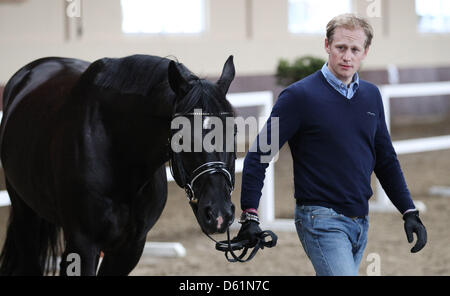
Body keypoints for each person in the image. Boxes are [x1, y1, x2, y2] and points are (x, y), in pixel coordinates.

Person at [234, 13, 427, 276]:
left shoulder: (371, 96)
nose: (347, 56)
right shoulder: (299, 97)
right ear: (327, 46)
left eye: (355, 49)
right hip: (319, 219)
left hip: (361, 220)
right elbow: (259, 154)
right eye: (341, 48)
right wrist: (250, 214)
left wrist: (408, 210)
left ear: (365, 52)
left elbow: (385, 159)